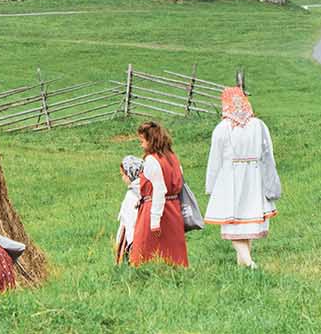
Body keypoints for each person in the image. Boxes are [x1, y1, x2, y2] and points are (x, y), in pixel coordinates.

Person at [203, 86, 280, 269]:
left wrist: (211, 187)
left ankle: (250, 263)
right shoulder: (259, 125)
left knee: (232, 225)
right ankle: (242, 266)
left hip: (231, 178)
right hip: (254, 175)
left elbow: (215, 159)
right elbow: (267, 152)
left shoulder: (222, 129)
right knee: (246, 223)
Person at [129, 121, 189, 268]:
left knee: (145, 247)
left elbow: (159, 190)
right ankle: (174, 272)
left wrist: (155, 220)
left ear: (151, 140)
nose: (141, 145)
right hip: (173, 209)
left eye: (142, 140)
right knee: (173, 247)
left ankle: (145, 272)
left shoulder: (152, 160)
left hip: (155, 209)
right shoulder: (173, 157)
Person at [113, 155, 143, 263]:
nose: (123, 178)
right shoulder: (145, 189)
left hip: (131, 236)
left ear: (130, 174)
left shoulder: (132, 194)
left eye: (123, 175)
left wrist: (130, 243)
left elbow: (130, 220)